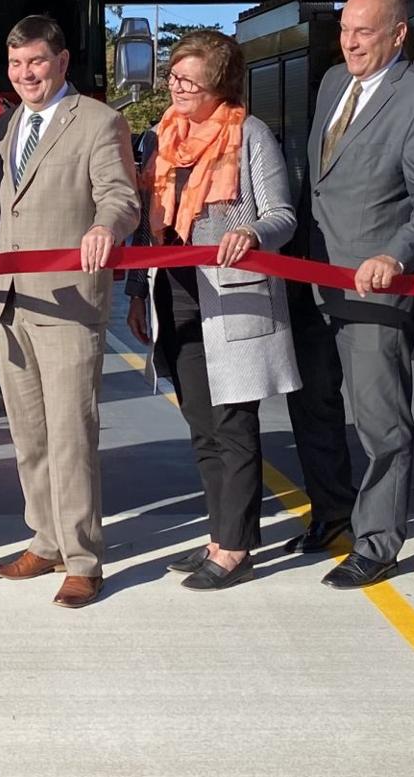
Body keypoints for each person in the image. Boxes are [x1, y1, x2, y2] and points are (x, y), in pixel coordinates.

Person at [284, 0, 414, 589]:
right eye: (345, 31)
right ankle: (332, 513)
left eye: (364, 32)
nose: (350, 43)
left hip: (372, 289)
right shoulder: (334, 82)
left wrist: (395, 253)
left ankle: (378, 542)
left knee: (380, 421)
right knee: (313, 403)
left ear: (399, 34)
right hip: (315, 275)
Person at [0, 15, 140, 609]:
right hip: (10, 303)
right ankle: (45, 541)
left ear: (62, 62)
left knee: (71, 437)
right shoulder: (2, 126)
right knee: (30, 436)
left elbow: (120, 195)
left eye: (36, 62)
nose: (25, 74)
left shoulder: (97, 120)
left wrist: (105, 226)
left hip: (68, 303)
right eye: (16, 64)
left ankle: (84, 559)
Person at [122, 30, 297, 592]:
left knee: (233, 425)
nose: (177, 89)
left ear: (220, 85)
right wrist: (135, 292)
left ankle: (236, 546)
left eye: (189, 82)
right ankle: (221, 533)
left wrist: (252, 232)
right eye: (173, 77)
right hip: (172, 292)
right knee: (201, 425)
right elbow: (144, 224)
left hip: (231, 297)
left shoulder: (250, 134)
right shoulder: (160, 137)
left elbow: (283, 215)